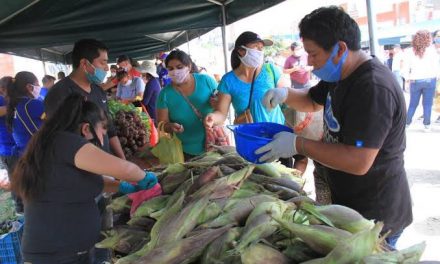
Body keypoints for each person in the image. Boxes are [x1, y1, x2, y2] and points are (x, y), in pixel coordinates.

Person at [259, 6, 412, 249]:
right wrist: (285, 94)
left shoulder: (371, 87)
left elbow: (358, 160)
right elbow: (311, 100)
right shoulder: (339, 75)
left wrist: (298, 144)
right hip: (350, 204)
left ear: (340, 49)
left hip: (375, 215)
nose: (308, 62)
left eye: (313, 54)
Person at [12, 94, 158, 264]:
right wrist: (144, 176)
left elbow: (84, 182)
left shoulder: (55, 144)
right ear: (86, 129)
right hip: (54, 255)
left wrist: (122, 186)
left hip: (68, 251)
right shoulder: (66, 143)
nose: (104, 134)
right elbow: (126, 168)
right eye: (103, 128)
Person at [204, 31, 297, 168]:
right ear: (241, 51)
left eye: (262, 48)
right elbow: (221, 114)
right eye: (256, 47)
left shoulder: (271, 70)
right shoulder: (228, 81)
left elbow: (288, 95)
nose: (260, 52)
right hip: (250, 143)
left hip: (277, 138)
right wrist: (212, 118)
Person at [45, 38, 125, 160]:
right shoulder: (60, 93)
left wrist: (122, 160)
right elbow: (62, 141)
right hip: (81, 170)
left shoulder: (98, 91)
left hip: (105, 164)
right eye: (103, 63)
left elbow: (110, 130)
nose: (107, 68)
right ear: (84, 64)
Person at [156, 49, 218, 159]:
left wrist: (217, 104)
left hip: (214, 144)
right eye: (170, 69)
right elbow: (162, 123)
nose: (175, 71)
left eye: (179, 67)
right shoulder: (165, 94)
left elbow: (222, 106)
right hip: (184, 151)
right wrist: (170, 126)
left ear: (189, 66)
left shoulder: (206, 81)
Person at [6, 71, 45, 213]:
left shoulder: (15, 105)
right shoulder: (32, 104)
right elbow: (55, 121)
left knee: (33, 199)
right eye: (37, 84)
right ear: (29, 87)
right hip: (37, 157)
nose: (39, 87)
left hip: (23, 156)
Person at [405, 30, 439, 132]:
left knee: (413, 104)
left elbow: (406, 68)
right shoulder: (432, 51)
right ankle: (427, 125)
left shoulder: (410, 51)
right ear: (428, 38)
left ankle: (407, 123)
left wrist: (407, 79)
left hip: (415, 81)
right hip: (430, 80)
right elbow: (436, 66)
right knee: (427, 104)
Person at [0, 76, 15, 191]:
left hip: (19, 146)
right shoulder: (3, 100)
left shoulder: (13, 99)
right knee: (15, 180)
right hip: (8, 149)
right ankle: (19, 207)